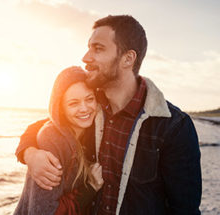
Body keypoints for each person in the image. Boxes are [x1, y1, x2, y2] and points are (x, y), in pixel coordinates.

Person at [16, 15, 202, 214]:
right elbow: (50, 124)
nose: (86, 57)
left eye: (98, 48)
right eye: (89, 47)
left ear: (128, 59)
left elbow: (185, 209)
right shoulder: (91, 108)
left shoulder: (173, 126)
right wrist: (30, 153)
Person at [14, 66, 104, 215]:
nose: (84, 108)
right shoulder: (53, 140)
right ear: (60, 108)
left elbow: (35, 127)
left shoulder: (92, 128)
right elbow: (44, 212)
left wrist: (28, 152)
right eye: (73, 103)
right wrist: (90, 188)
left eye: (89, 99)